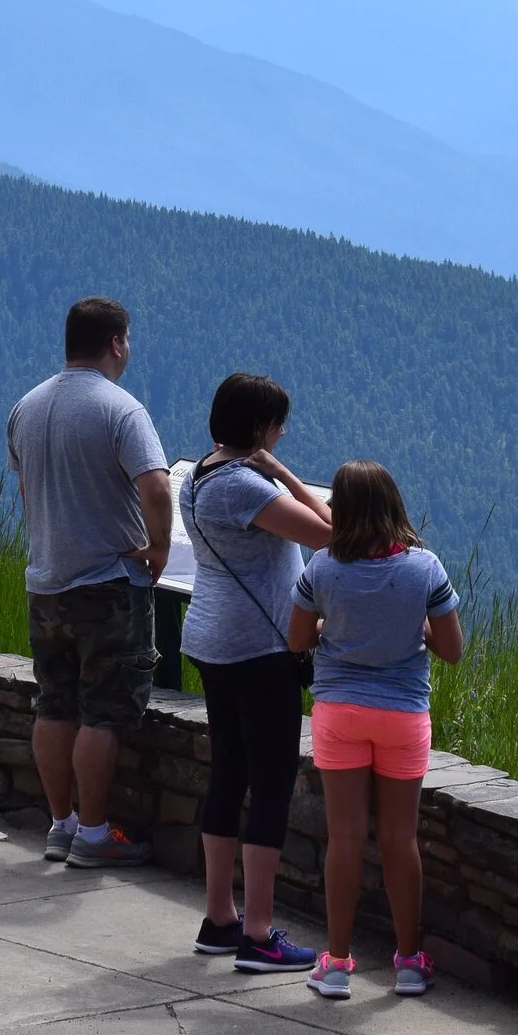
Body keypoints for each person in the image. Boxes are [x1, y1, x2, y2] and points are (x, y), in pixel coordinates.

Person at [288, 460, 464, 1000]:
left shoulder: (322, 568)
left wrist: (332, 626)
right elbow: (452, 650)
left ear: (342, 508)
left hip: (340, 711)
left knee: (345, 837)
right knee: (398, 838)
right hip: (403, 713)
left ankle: (337, 964)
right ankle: (409, 963)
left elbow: (298, 639)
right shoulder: (425, 568)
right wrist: (417, 631)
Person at [8, 296, 170, 868]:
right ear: (116, 343)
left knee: (53, 704)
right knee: (102, 711)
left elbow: (26, 489)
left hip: (46, 580)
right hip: (107, 583)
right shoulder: (121, 409)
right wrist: (159, 547)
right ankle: (96, 836)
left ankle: (62, 825)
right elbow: (156, 487)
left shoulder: (26, 407)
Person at [181, 373, 332, 972]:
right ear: (262, 428)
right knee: (270, 783)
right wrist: (284, 473)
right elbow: (331, 535)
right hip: (259, 646)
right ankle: (260, 934)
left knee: (228, 772)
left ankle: (220, 919)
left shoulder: (199, 474)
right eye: (278, 425)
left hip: (211, 637)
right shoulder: (244, 486)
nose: (283, 432)